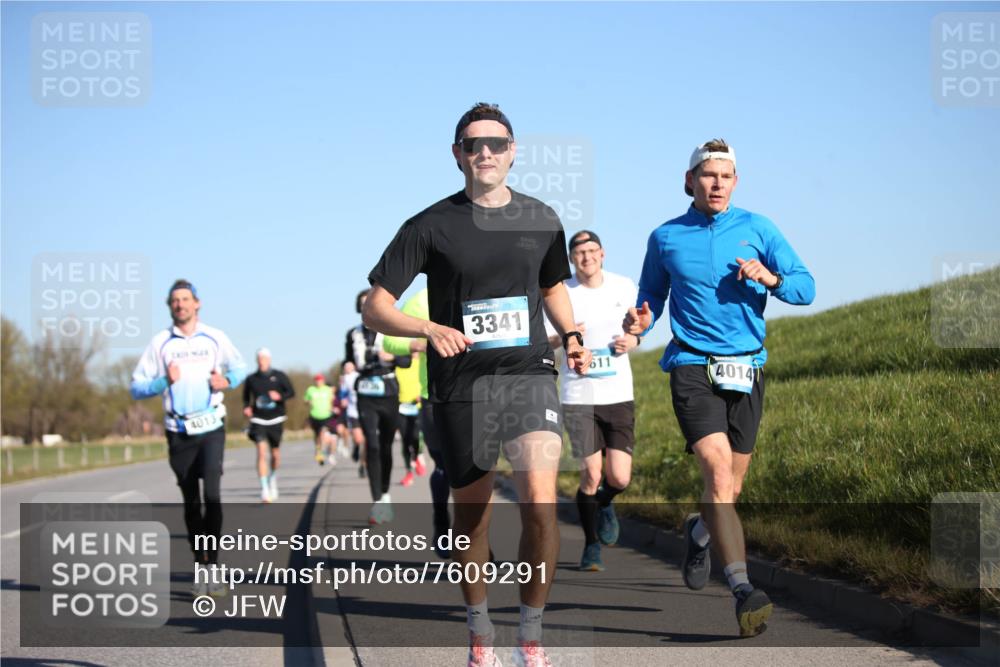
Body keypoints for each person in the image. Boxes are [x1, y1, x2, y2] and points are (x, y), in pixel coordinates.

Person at [363, 102, 591, 667]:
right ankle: (480, 628)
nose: (484, 152)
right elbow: (375, 308)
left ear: (513, 150)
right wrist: (428, 327)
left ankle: (531, 637)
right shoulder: (429, 226)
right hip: (464, 385)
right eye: (472, 144)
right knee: (474, 516)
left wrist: (571, 333)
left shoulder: (541, 217)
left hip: (529, 373)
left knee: (540, 501)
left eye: (495, 143)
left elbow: (552, 285)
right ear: (457, 154)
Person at [623, 139, 815, 638]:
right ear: (689, 181)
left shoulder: (759, 228)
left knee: (730, 488)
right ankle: (743, 589)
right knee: (716, 467)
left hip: (747, 368)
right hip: (692, 365)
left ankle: (700, 531)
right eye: (708, 175)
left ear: (735, 182)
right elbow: (651, 296)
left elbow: (805, 286)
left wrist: (770, 277)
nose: (716, 184)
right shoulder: (665, 236)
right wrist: (640, 321)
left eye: (725, 176)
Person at [131, 279, 246, 597]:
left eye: (185, 299)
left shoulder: (214, 337)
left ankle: (215, 567)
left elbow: (239, 367)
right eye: (174, 300)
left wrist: (228, 380)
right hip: (178, 431)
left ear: (197, 303)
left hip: (210, 426)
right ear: (170, 307)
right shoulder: (160, 343)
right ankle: (200, 563)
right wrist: (162, 382)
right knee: (191, 501)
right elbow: (136, 387)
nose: (180, 304)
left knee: (212, 494)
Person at [545, 230, 639, 572]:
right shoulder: (559, 292)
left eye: (591, 250)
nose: (586, 257)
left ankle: (605, 504)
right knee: (591, 473)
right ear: (571, 259)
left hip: (618, 393)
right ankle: (591, 546)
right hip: (578, 395)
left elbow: (636, 329)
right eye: (579, 252)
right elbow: (544, 339)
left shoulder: (623, 286)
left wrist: (633, 341)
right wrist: (564, 335)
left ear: (602, 253)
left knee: (620, 478)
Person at [382, 288, 451, 558]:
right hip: (433, 395)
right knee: (444, 466)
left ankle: (475, 538)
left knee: (477, 470)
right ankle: (442, 523)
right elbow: (389, 342)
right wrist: (422, 341)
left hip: (478, 395)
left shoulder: (481, 288)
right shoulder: (422, 299)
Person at [346, 288, 410, 524]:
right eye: (363, 307)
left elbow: (405, 360)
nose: (367, 311)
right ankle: (377, 501)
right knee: (371, 446)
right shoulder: (352, 334)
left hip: (389, 392)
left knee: (385, 447)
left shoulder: (392, 333)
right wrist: (348, 366)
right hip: (365, 394)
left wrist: (391, 357)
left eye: (370, 306)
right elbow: (348, 359)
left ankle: (385, 493)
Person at [242, 347, 295, 502]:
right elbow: (246, 398)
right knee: (260, 452)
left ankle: (272, 478)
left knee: (275, 454)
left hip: (276, 418)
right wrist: (246, 408)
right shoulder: (251, 379)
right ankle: (264, 488)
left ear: (269, 360)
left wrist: (279, 396)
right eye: (259, 359)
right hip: (258, 419)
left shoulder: (279, 376)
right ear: (256, 360)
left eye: (264, 358)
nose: (261, 361)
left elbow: (291, 393)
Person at [339, 360, 366, 477]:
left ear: (354, 367)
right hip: (352, 411)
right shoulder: (344, 379)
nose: (348, 369)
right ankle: (355, 447)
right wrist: (343, 399)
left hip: (364, 410)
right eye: (346, 367)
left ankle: (363, 465)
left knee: (366, 442)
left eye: (350, 367)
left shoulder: (360, 376)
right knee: (359, 439)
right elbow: (343, 393)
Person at [304, 373, 335, 465]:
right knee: (317, 435)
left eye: (320, 380)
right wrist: (309, 402)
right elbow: (305, 400)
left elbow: (331, 400)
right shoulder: (310, 390)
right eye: (317, 380)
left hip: (325, 415)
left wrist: (331, 408)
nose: (318, 382)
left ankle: (320, 451)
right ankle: (318, 451)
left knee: (322, 433)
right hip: (314, 415)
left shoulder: (327, 390)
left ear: (323, 380)